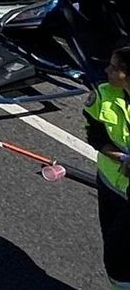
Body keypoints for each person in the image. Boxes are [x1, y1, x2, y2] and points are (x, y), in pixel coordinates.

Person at [87, 46, 130, 288]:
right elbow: (95, 136)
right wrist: (121, 157)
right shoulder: (103, 95)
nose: (107, 70)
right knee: (113, 252)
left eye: (115, 68)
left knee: (118, 258)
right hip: (110, 186)